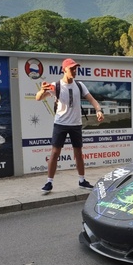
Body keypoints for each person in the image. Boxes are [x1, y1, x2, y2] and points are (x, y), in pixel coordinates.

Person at [35, 58, 105, 194]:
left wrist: (98, 110)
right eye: (71, 69)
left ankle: (82, 180)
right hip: (60, 124)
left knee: (78, 153)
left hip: (76, 124)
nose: (74, 71)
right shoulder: (56, 86)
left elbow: (92, 99)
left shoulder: (79, 85)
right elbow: (38, 98)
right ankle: (49, 182)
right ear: (64, 70)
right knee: (55, 153)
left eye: (75, 68)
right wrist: (42, 91)